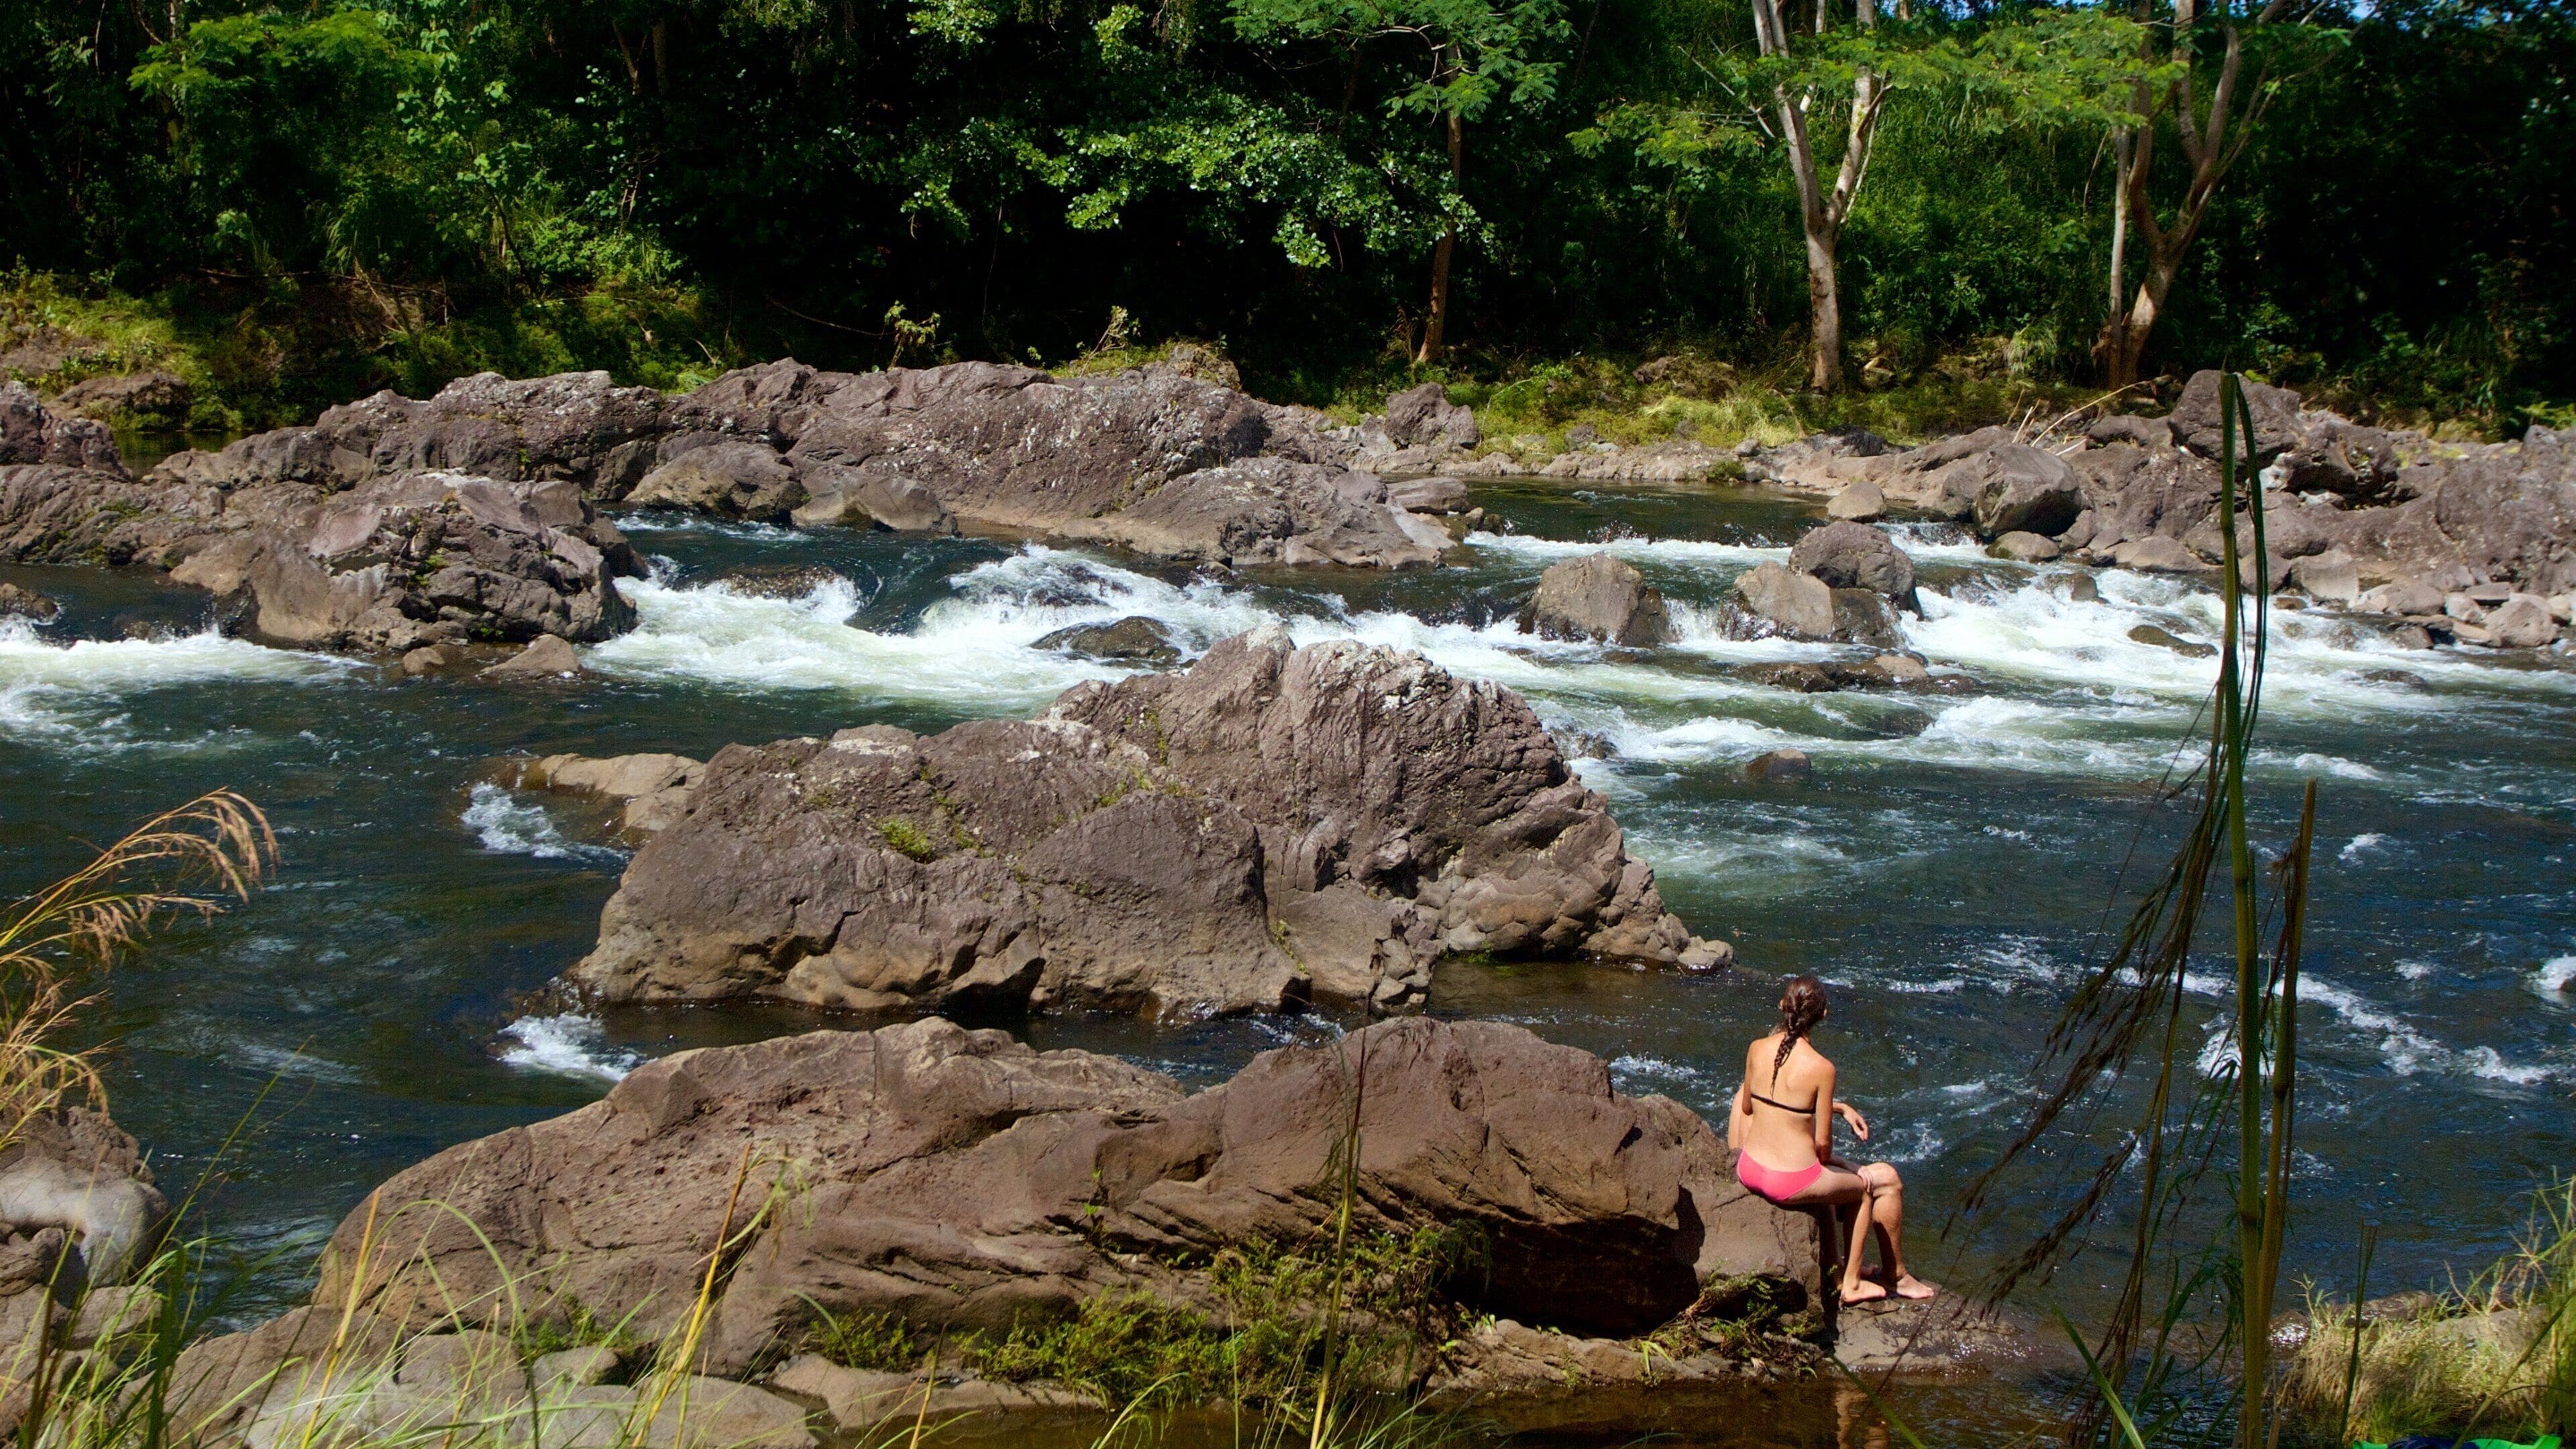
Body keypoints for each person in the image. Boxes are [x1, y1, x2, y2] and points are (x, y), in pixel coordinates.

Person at [1729, 973, 1935, 1305]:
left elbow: (1751, 1105)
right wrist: (1850, 1166)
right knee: (1865, 1189)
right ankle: (1854, 1284)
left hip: (1749, 1168)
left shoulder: (1757, 1049)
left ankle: (1836, 1268)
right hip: (1787, 1181)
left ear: (1783, 1006)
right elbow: (1823, 1150)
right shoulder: (1822, 1068)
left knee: (1835, 1184)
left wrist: (1835, 1108)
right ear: (1823, 1015)